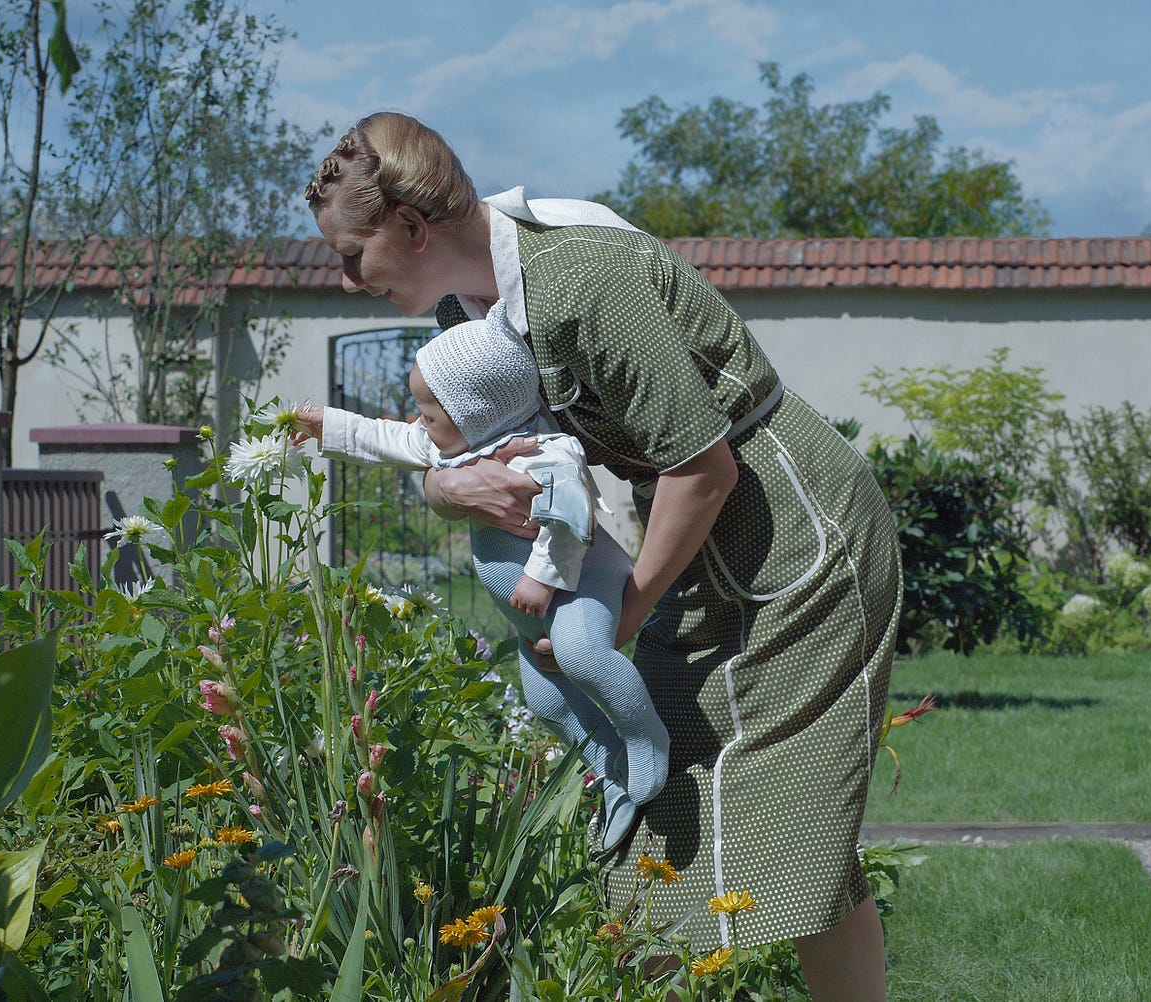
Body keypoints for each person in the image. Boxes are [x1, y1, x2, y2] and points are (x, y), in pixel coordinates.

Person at [302, 112, 903, 1001]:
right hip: (706, 548)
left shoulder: (579, 282)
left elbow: (704, 468)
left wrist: (623, 618)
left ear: (411, 229)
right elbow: (472, 451)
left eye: (353, 256)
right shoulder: (477, 312)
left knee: (787, 828)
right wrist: (445, 489)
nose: (349, 281)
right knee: (665, 811)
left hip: (797, 542)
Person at [296, 302, 669, 852]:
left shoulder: (545, 452)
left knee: (582, 654)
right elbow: (387, 438)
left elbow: (571, 517)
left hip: (579, 583)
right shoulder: (459, 446)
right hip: (529, 611)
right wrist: (326, 425)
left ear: (474, 410)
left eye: (429, 411)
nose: (418, 420)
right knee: (545, 700)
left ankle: (645, 740)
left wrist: (541, 578)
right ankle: (609, 765)